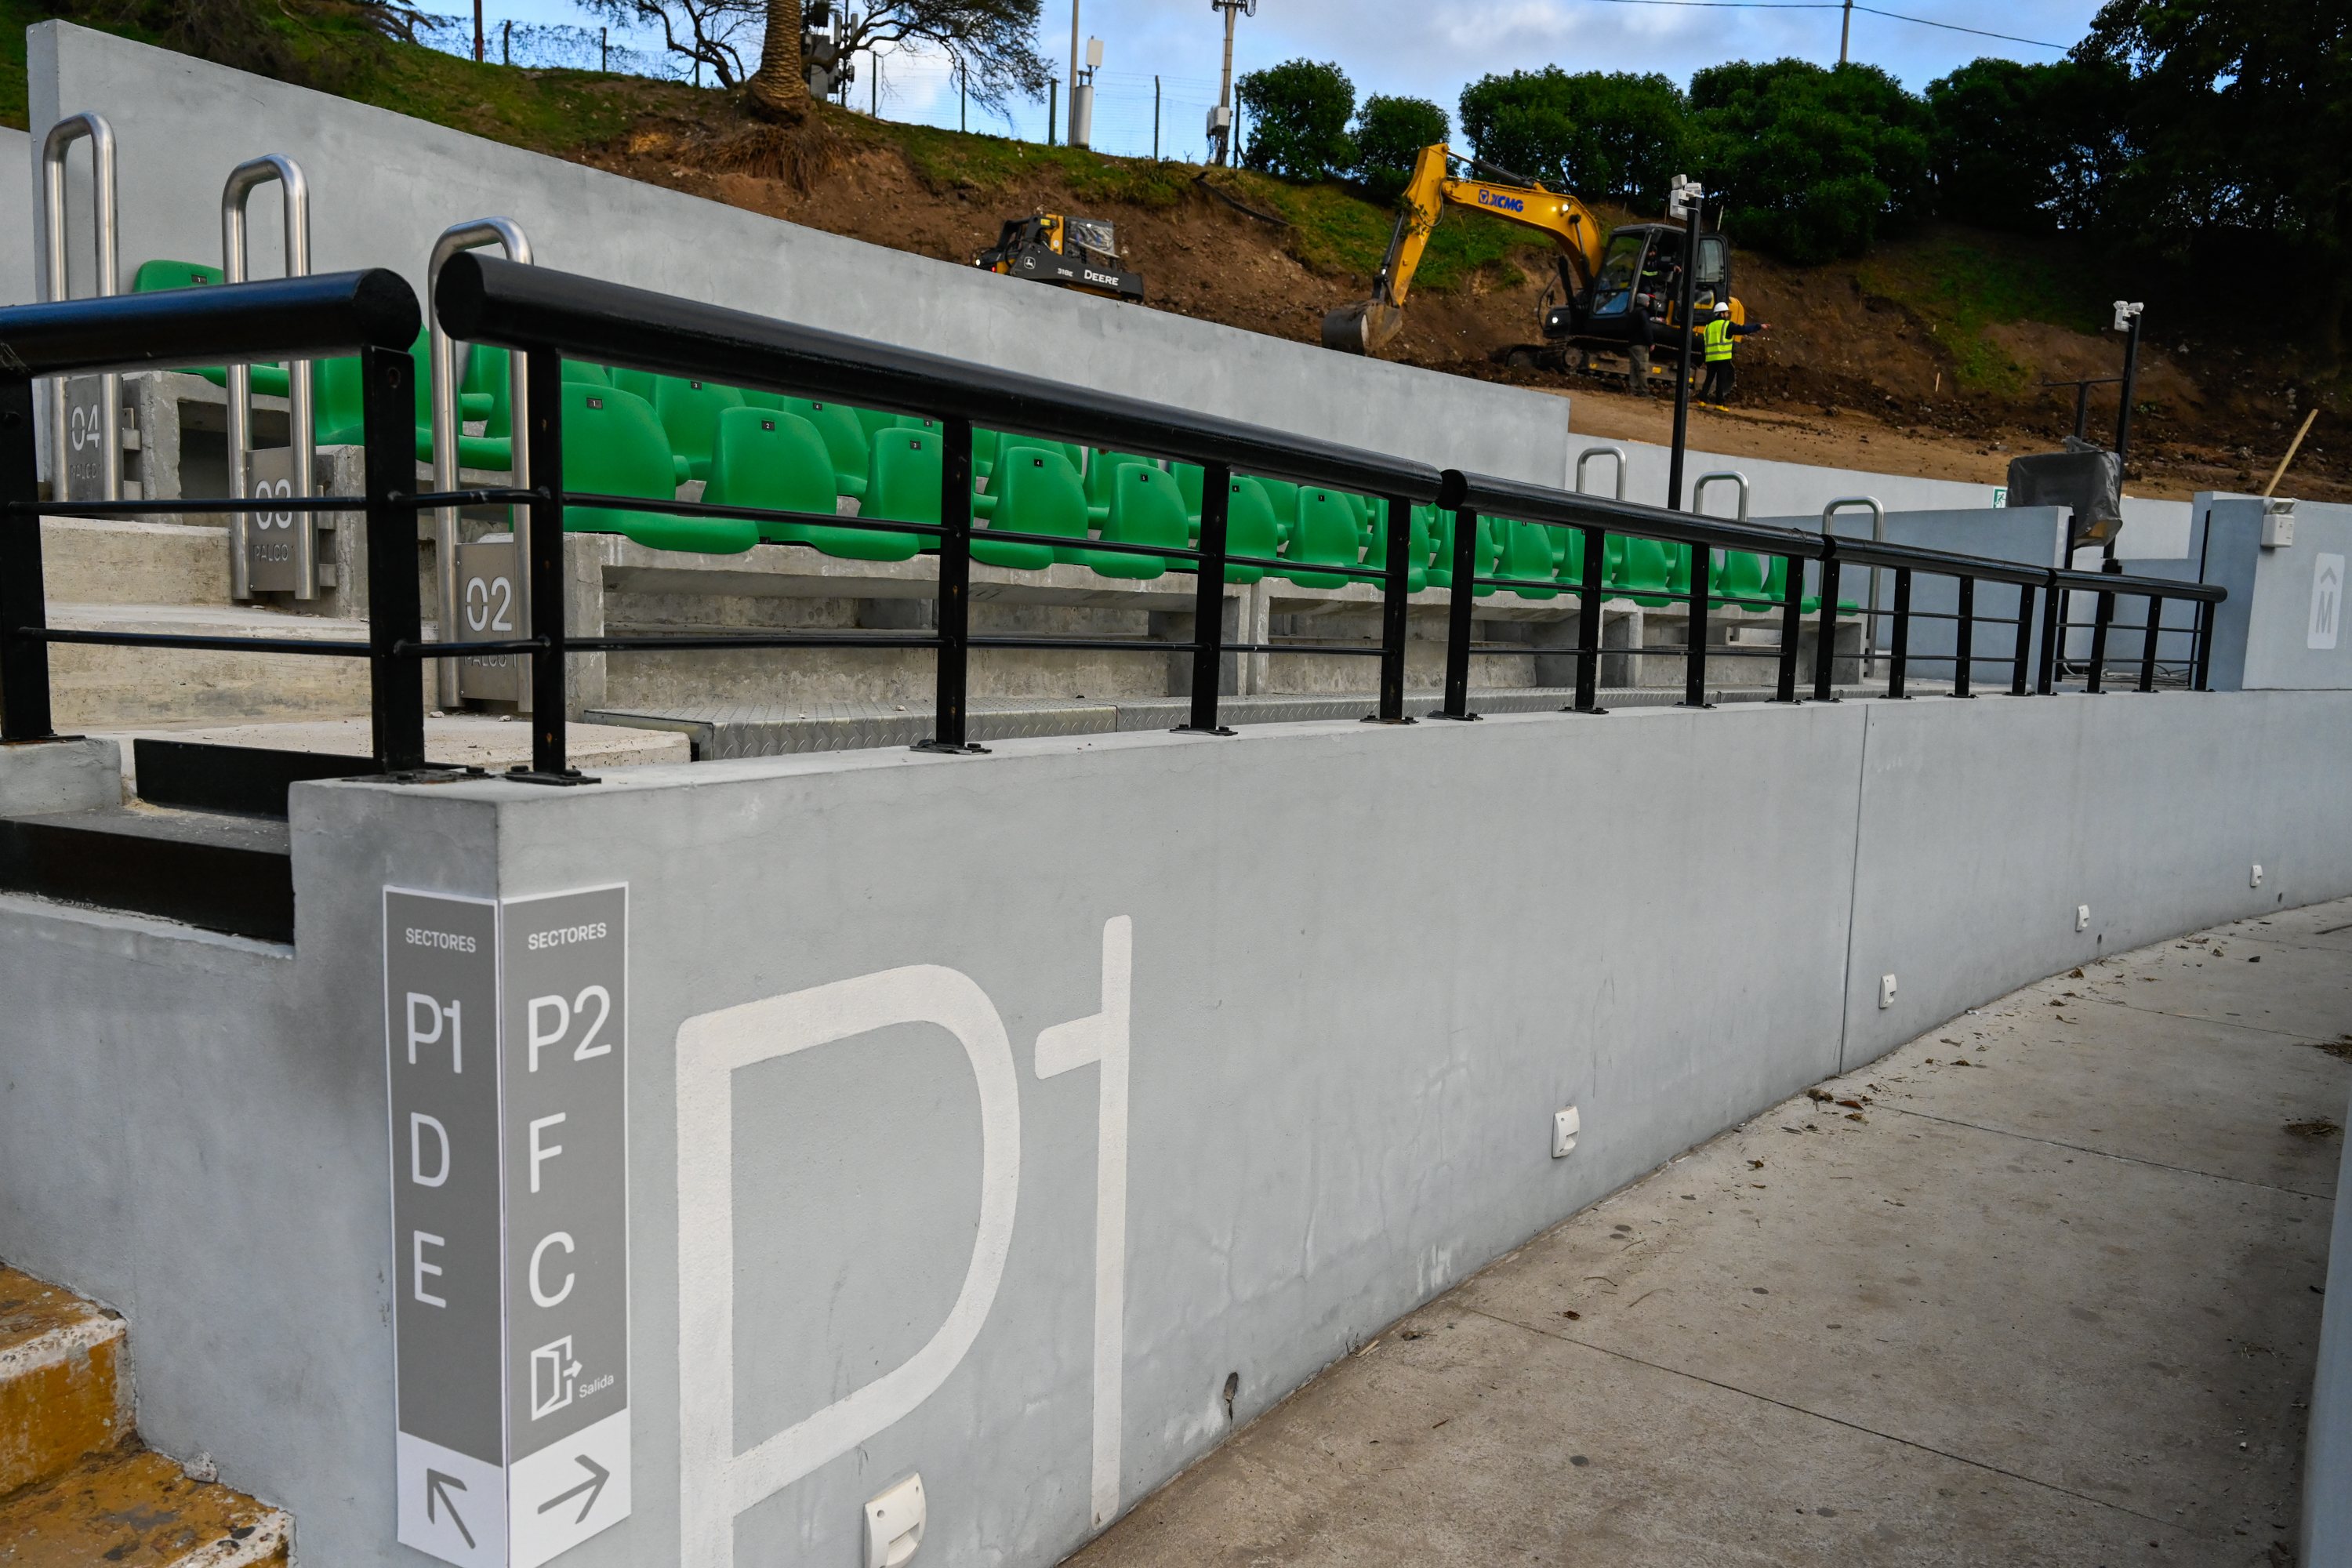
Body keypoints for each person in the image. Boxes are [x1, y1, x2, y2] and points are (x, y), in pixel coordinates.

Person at [1698, 301, 1767, 408]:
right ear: (1721, 314)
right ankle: (1719, 404)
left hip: (1711, 358)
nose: (1727, 315)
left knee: (1709, 379)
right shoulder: (1727, 325)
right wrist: (1759, 326)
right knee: (1720, 381)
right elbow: (1743, 329)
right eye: (1726, 313)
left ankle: (1702, 401)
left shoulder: (1708, 327)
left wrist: (1704, 359)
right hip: (1723, 358)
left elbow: (1704, 345)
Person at [1624, 289, 1660, 398]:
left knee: (1633, 368)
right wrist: (1651, 343)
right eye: (1648, 301)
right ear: (1645, 302)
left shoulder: (1632, 313)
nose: (1649, 303)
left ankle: (1633, 389)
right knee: (1642, 368)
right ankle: (1644, 391)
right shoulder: (1643, 313)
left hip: (1632, 344)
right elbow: (1646, 328)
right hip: (1641, 344)